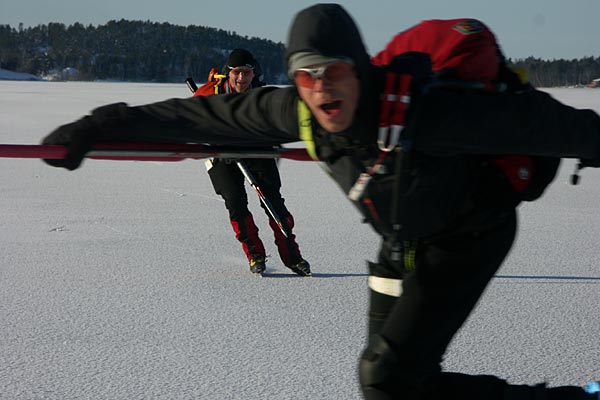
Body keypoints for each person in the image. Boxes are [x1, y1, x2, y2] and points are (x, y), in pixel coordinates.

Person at [40, 4, 600, 399]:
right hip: (400, 240)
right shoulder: (297, 111)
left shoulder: (433, 113)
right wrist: (102, 123)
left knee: (390, 381)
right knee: (380, 381)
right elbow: (194, 116)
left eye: (335, 71)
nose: (322, 86)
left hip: (467, 236)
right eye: (307, 74)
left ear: (361, 69)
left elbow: (554, 125)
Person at [194, 48, 311, 276]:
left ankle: (293, 258)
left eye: (246, 73)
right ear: (228, 73)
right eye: (237, 72)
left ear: (253, 73)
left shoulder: (262, 95)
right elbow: (189, 125)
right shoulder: (209, 94)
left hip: (257, 150)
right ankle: (255, 255)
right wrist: (213, 145)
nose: (241, 78)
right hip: (220, 156)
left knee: (274, 204)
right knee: (236, 204)